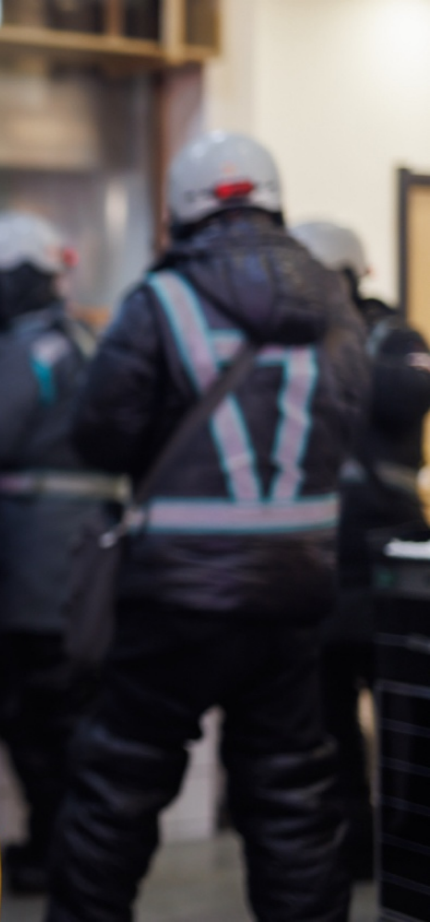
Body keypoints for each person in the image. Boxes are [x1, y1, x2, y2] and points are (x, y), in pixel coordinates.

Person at [49, 132, 369, 922]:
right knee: (293, 793)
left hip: (176, 592)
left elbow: (100, 433)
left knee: (118, 788)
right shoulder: (339, 304)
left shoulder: (160, 300)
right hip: (297, 587)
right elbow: (349, 425)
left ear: (182, 208)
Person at [0, 211, 118, 894]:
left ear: (16, 280)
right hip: (82, 554)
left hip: (38, 561)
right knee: (67, 708)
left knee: (32, 706)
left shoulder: (29, 351)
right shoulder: (82, 338)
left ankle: (58, 851)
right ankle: (70, 847)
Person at [291, 219, 431, 879]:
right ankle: (351, 844)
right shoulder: (300, 339)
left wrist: (337, 344)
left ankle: (408, 841)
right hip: (319, 561)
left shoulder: (395, 338)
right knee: (328, 724)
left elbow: (409, 396)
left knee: (407, 720)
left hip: (389, 561)